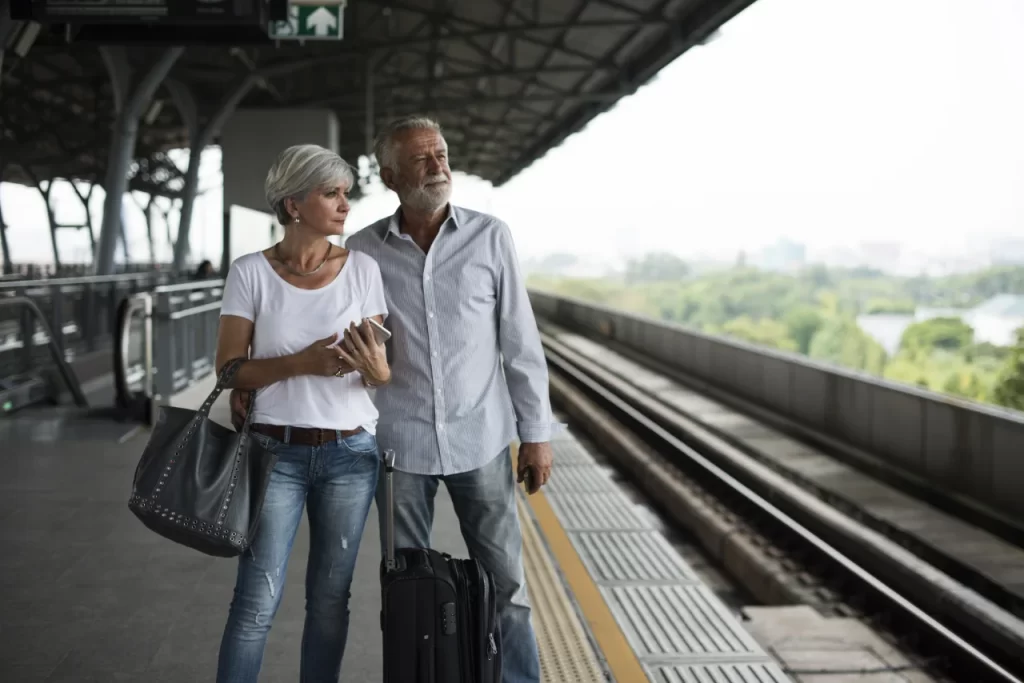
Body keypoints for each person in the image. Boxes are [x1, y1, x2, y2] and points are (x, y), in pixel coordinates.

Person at [347, 115, 555, 683]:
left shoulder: (491, 236)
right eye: (421, 159)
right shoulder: (363, 252)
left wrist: (537, 434)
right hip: (399, 446)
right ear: (391, 176)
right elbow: (355, 342)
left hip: (481, 441)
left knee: (506, 586)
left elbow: (520, 341)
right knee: (404, 587)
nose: (438, 166)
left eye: (440, 154)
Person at [214, 143, 391, 683]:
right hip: (274, 453)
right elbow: (228, 372)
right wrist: (302, 363)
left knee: (330, 601)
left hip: (350, 454)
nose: (345, 205)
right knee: (255, 601)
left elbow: (380, 368)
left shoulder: (362, 269)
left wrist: (376, 371)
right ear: (293, 204)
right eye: (331, 193)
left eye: (345, 194)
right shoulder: (250, 273)